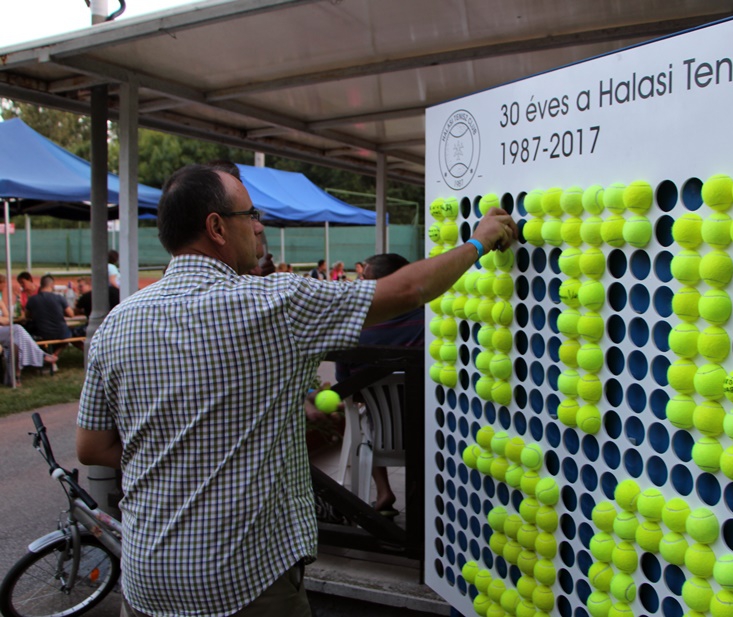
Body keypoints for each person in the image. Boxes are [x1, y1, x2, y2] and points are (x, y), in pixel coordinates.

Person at [74, 163, 516, 617]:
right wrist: (478, 241)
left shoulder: (117, 324)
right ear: (217, 227)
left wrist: (196, 448)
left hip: (147, 577)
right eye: (252, 215)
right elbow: (408, 289)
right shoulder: (274, 302)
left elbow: (91, 446)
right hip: (244, 582)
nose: (260, 226)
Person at [335, 253, 424, 515]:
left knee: (365, 421)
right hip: (428, 428)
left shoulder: (355, 330)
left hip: (382, 433)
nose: (360, 285)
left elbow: (345, 383)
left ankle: (384, 492)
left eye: (365, 279)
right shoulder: (428, 323)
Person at [0, 276, 58, 386]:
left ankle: (14, 378)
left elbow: (7, 319)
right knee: (17, 329)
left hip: (4, 332)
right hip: (4, 331)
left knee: (16, 343)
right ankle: (41, 355)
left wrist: (3, 320)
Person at [25, 274, 75, 345]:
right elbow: (71, 314)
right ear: (52, 285)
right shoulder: (59, 298)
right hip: (61, 333)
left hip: (41, 333)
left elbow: (27, 316)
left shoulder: (32, 299)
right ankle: (55, 354)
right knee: (70, 334)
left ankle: (51, 354)